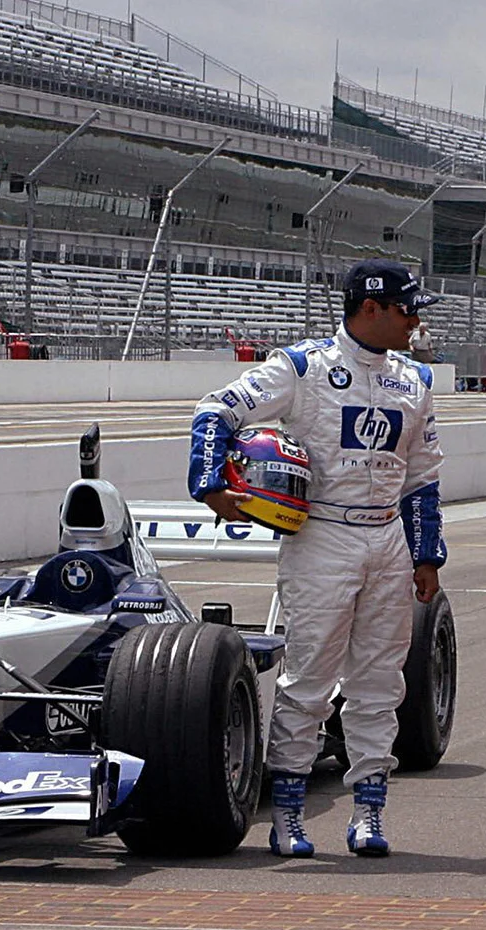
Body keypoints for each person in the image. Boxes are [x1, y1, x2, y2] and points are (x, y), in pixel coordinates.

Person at [189, 258, 446, 859]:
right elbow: (214, 410)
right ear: (371, 308)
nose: (415, 322)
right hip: (321, 537)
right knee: (308, 678)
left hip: (387, 539)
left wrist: (427, 554)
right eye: (407, 310)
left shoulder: (417, 380)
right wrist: (213, 484)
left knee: (381, 682)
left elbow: (424, 476)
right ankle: (288, 816)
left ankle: (369, 812)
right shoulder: (304, 367)